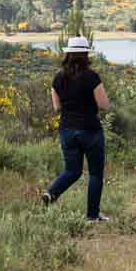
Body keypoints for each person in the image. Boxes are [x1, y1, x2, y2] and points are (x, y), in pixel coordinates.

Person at [44, 37, 111, 221]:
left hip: (67, 130)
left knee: (72, 171)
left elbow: (57, 107)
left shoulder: (57, 77)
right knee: (96, 174)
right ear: (86, 54)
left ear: (68, 54)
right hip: (90, 130)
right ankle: (92, 216)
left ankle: (51, 193)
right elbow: (104, 105)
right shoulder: (92, 77)